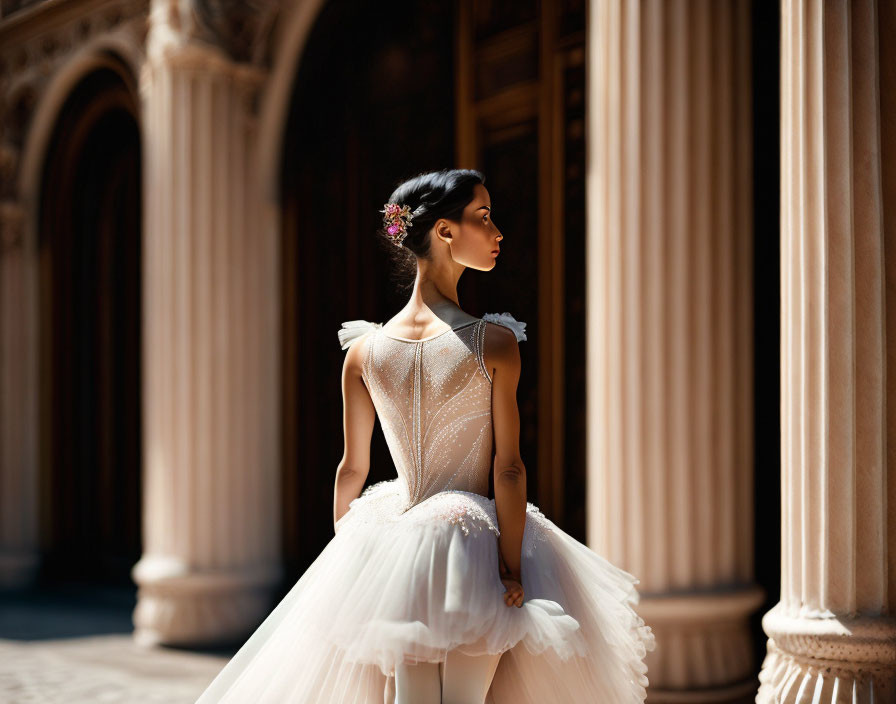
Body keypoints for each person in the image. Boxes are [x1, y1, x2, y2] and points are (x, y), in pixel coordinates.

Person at [194, 168, 655, 704]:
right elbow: (508, 468)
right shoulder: (493, 342)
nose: (498, 231)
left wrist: (355, 566)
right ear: (444, 231)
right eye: (483, 217)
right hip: (474, 543)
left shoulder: (364, 351)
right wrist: (510, 566)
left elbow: (352, 470)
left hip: (395, 542)